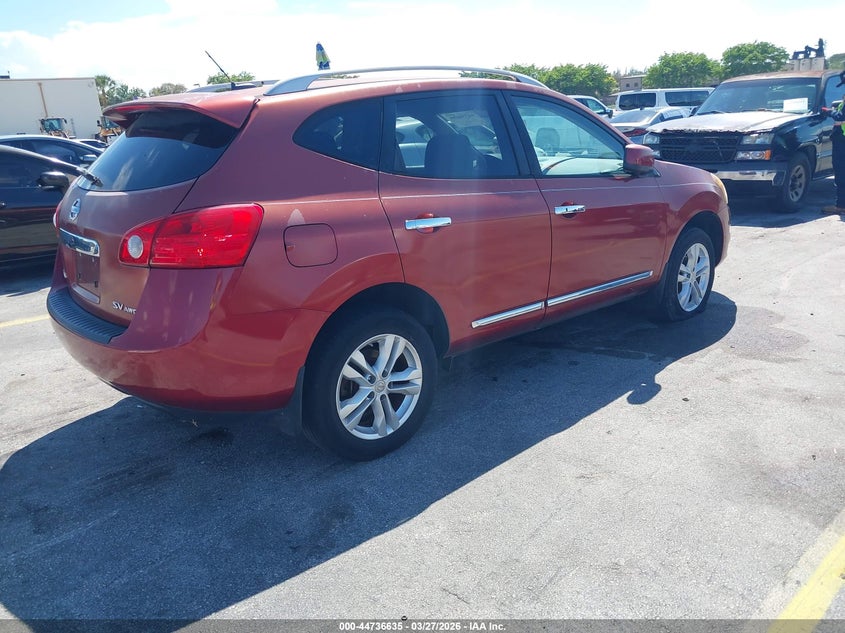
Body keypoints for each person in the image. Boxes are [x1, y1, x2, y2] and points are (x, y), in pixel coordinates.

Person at [822, 96, 845, 214]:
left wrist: (830, 111)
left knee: (841, 173)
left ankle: (840, 206)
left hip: (842, 142)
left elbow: (841, 116)